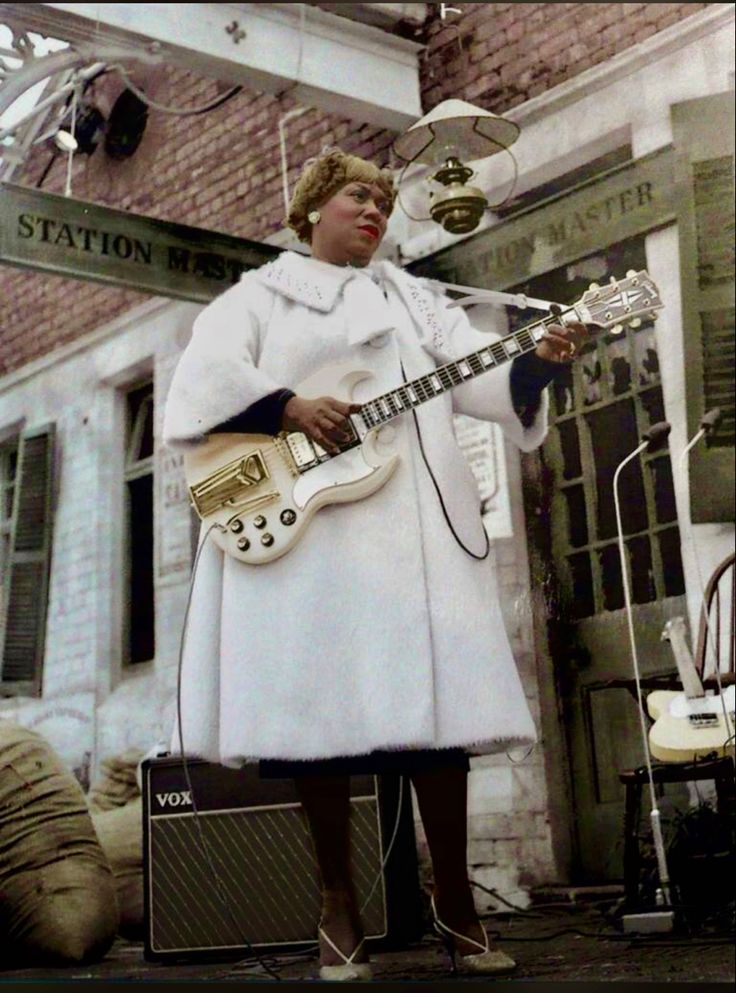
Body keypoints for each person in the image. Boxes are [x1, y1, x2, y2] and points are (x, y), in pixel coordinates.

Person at [162, 148, 590, 981]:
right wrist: (288, 403)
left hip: (416, 531)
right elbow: (203, 377)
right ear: (312, 207)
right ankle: (337, 909)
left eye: (386, 201)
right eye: (359, 194)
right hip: (314, 533)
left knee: (440, 721)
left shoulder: (417, 302)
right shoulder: (261, 295)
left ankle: (457, 909)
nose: (376, 211)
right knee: (316, 723)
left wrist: (540, 358)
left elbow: (482, 378)